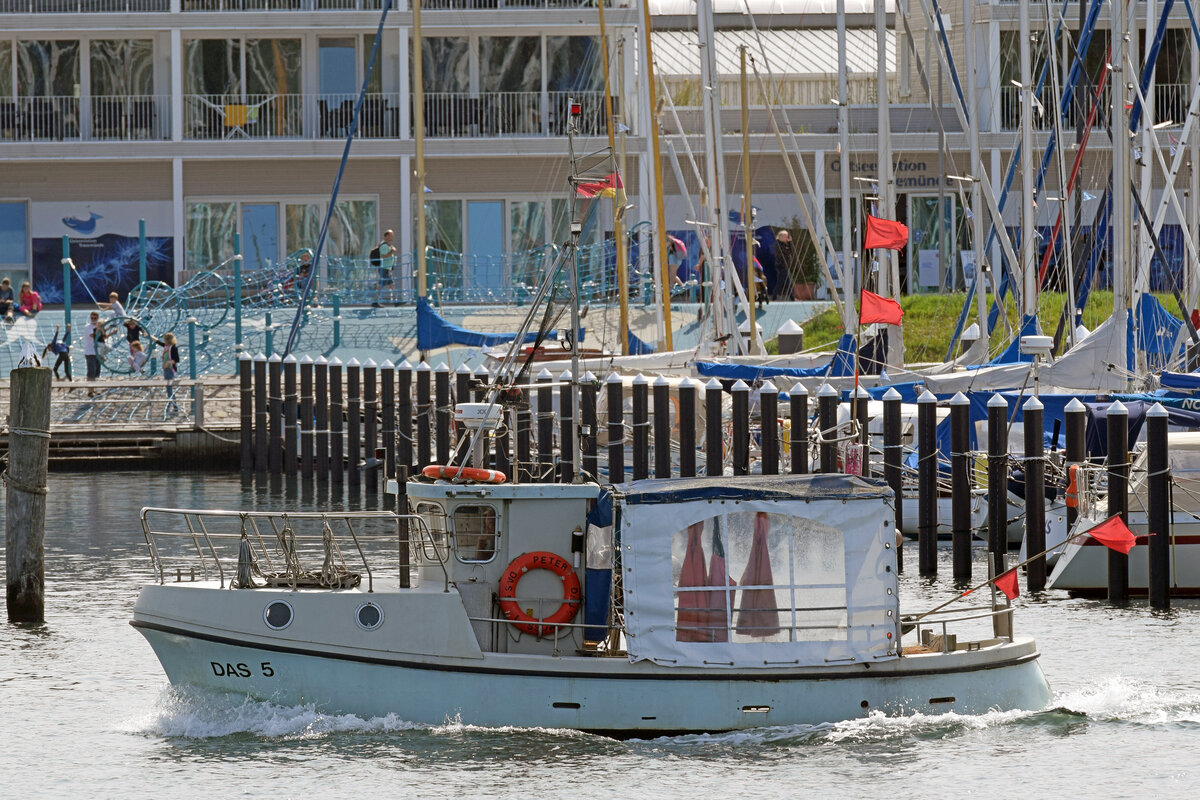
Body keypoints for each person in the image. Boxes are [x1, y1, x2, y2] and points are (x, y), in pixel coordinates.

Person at [82, 311, 103, 396]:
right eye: (92, 317)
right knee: (91, 372)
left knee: (96, 372)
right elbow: (94, 336)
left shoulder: (99, 327)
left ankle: (93, 389)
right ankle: (90, 391)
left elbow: (103, 337)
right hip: (90, 352)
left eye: (95, 318)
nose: (93, 319)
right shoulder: (88, 327)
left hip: (98, 353)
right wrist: (100, 329)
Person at [373, 229, 396, 306]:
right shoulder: (384, 246)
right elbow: (384, 256)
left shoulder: (388, 245)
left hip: (387, 268)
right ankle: (395, 301)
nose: (392, 237)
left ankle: (394, 300)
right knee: (388, 284)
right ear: (386, 236)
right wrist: (392, 252)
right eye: (391, 235)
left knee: (386, 285)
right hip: (384, 268)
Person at [160, 331, 181, 414]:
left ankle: (174, 407)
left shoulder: (173, 348)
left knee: (169, 389)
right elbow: (159, 342)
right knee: (169, 389)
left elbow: (177, 360)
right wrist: (151, 337)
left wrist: (168, 363)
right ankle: (172, 406)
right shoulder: (167, 347)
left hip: (169, 370)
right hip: (166, 370)